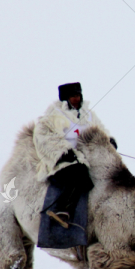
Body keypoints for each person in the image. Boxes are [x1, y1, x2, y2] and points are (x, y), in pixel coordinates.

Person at [33, 82, 116, 258]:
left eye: (78, 95)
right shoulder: (55, 115)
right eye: (72, 96)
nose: (76, 99)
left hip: (90, 159)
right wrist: (63, 153)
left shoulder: (89, 115)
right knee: (80, 175)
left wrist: (109, 141)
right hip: (64, 161)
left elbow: (101, 130)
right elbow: (44, 136)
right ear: (66, 98)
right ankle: (62, 210)